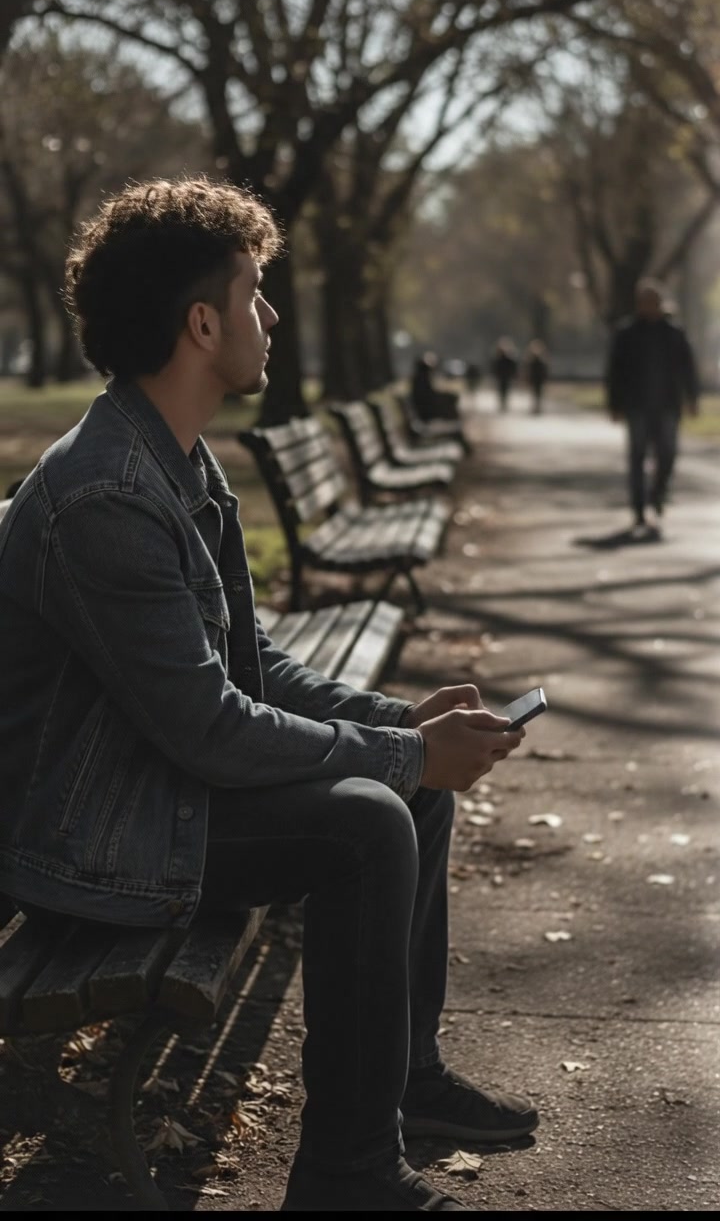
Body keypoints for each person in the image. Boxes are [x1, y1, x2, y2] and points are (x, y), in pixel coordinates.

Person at [0, 175, 538, 1213]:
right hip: (80, 840)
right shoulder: (108, 493)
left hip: (140, 791)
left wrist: (400, 724)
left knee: (410, 791)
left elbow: (253, 665)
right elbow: (210, 729)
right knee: (368, 822)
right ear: (202, 323)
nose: (273, 314)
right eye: (255, 290)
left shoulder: (173, 461)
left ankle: (405, 1079)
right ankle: (345, 1175)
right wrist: (401, 756)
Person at [605, 277, 700, 535]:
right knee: (637, 457)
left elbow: (688, 369)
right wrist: (614, 404)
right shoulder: (626, 334)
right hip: (637, 405)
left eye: (653, 301)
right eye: (645, 302)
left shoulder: (674, 333)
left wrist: (692, 398)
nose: (649, 306)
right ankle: (638, 509)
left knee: (668, 454)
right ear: (639, 304)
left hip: (668, 405)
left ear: (660, 303)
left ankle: (657, 493)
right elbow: (615, 371)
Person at [410, 349, 462, 423]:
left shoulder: (420, 377)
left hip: (426, 412)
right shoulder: (421, 378)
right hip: (428, 414)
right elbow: (427, 398)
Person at [489, 337, 518, 412]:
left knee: (505, 390)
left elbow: (513, 367)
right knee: (501, 391)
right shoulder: (498, 358)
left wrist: (513, 375)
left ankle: (504, 404)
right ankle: (502, 403)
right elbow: (494, 368)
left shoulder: (509, 358)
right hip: (501, 377)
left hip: (506, 377)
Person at [523, 339, 550, 415]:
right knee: (534, 393)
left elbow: (544, 371)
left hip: (539, 380)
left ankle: (538, 407)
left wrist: (545, 379)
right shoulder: (530, 360)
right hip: (533, 379)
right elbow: (528, 370)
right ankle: (535, 407)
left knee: (538, 393)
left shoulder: (542, 360)